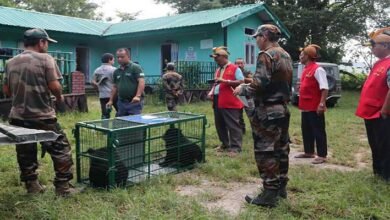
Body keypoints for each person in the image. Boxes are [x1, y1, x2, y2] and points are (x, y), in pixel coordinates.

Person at [2, 28, 77, 196]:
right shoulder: (46, 59)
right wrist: (59, 98)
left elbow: (6, 90)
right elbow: (54, 85)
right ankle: (63, 187)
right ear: (41, 42)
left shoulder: (10, 62)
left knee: (25, 150)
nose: (47, 46)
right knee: (60, 148)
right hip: (42, 115)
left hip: (17, 116)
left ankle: (32, 186)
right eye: (47, 42)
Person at [233, 24, 292, 207]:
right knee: (281, 148)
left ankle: (269, 194)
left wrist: (243, 88)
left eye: (257, 37)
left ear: (264, 36)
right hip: (282, 109)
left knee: (266, 151)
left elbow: (260, 83)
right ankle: (281, 187)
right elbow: (274, 80)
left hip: (267, 111)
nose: (256, 40)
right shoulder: (285, 54)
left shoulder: (266, 55)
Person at [356, 28, 390, 181]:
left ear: (385, 46)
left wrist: (384, 110)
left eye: (374, 45)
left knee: (385, 145)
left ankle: (385, 176)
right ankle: (378, 172)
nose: (372, 48)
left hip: (381, 114)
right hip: (370, 113)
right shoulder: (379, 63)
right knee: (375, 144)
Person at [294, 44, 329, 164]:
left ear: (308, 56)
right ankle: (309, 152)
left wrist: (322, 103)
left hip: (315, 106)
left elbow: (324, 88)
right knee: (306, 129)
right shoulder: (305, 69)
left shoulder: (317, 69)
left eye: (302, 55)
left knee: (318, 130)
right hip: (305, 106)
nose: (300, 56)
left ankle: (322, 155)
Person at [208, 46, 244, 155]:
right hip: (217, 99)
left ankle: (236, 148)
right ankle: (225, 144)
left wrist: (226, 81)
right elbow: (217, 83)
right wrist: (212, 91)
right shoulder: (218, 69)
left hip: (230, 100)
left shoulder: (234, 68)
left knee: (233, 125)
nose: (215, 60)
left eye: (216, 58)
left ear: (224, 57)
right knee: (220, 124)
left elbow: (241, 81)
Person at [107, 48, 145, 116]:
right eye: (118, 57)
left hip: (134, 101)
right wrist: (111, 100)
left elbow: (141, 82)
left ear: (128, 56)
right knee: (121, 123)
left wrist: (138, 96)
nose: (119, 59)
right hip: (121, 102)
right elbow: (114, 86)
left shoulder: (135, 67)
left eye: (122, 57)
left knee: (136, 122)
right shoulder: (116, 71)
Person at [91, 53, 117, 119]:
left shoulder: (97, 70)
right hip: (114, 95)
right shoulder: (114, 70)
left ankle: (105, 128)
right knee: (120, 112)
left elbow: (93, 82)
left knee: (105, 115)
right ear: (109, 60)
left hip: (103, 95)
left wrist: (98, 88)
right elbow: (117, 83)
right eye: (113, 59)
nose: (114, 61)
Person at [235, 58, 254, 134]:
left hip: (247, 96)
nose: (239, 65)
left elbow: (252, 80)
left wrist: (242, 79)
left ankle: (255, 130)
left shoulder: (247, 71)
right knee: (238, 116)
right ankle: (242, 131)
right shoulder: (234, 71)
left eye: (241, 63)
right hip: (237, 96)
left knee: (251, 114)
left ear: (244, 64)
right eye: (237, 63)